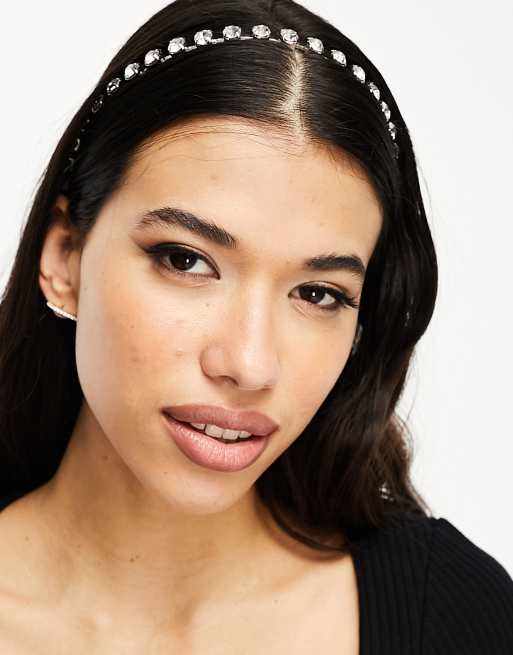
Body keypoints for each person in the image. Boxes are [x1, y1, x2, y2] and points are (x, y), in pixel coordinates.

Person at [0, 0, 512, 652]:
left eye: (318, 294)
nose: (248, 363)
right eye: (186, 260)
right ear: (65, 257)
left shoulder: (454, 616)